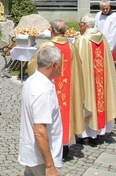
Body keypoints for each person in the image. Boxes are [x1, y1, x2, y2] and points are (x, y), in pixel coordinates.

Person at [27, 19, 85, 158]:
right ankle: (65, 148)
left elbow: (33, 66)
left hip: (49, 88)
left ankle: (50, 149)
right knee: (65, 112)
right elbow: (78, 69)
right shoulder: (72, 47)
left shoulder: (46, 46)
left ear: (51, 30)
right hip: (68, 90)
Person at [75, 14, 116, 145]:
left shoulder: (83, 40)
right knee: (101, 101)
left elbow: (78, 62)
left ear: (85, 25)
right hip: (102, 80)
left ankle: (86, 135)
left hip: (88, 80)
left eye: (80, 25)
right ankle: (100, 133)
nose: (80, 27)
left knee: (88, 102)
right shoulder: (103, 38)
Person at [19, 45, 63, 176]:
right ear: (54, 65)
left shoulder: (32, 80)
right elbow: (40, 131)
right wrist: (50, 166)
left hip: (32, 152)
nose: (62, 67)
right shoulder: (42, 90)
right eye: (61, 64)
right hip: (41, 158)